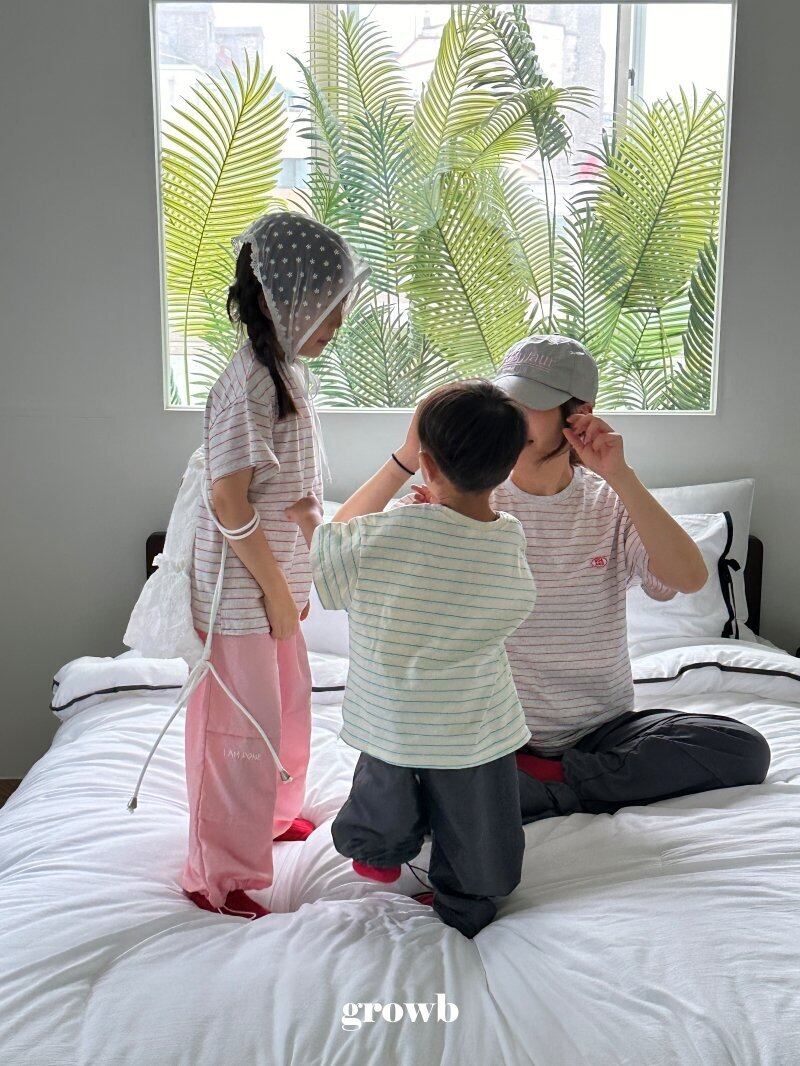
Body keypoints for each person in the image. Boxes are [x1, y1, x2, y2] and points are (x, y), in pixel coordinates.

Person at [417, 336, 772, 819]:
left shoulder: (611, 502)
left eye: (531, 405)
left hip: (602, 731)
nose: (512, 419)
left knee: (742, 748)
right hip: (495, 731)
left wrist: (619, 475)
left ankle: (543, 786)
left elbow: (689, 578)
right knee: (409, 775)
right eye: (507, 402)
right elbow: (362, 558)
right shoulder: (469, 496)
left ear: (578, 414)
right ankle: (558, 786)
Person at [286, 382, 537, 938]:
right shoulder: (509, 538)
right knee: (480, 817)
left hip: (393, 717)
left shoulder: (389, 531)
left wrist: (310, 519)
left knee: (386, 782)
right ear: (508, 466)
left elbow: (333, 542)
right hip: (475, 722)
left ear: (426, 464)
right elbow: (515, 606)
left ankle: (378, 853)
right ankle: (469, 901)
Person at [182, 211, 368, 918]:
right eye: (327, 306)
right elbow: (227, 499)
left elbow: (288, 489)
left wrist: (293, 582)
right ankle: (219, 874)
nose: (337, 323)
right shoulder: (250, 383)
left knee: (288, 706)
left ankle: (274, 814)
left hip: (272, 584)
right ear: (278, 300)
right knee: (239, 730)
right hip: (241, 594)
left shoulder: (285, 373)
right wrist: (276, 594)